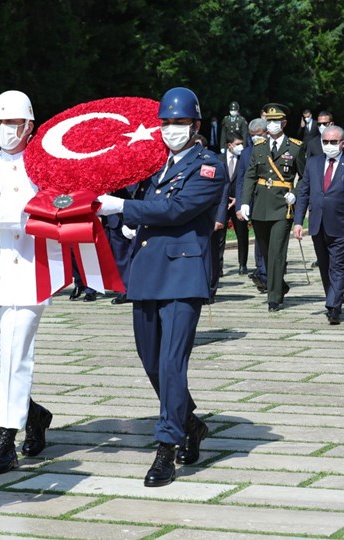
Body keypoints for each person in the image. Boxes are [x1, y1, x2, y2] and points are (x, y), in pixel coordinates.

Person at [96, 87, 225, 487]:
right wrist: (132, 219)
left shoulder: (209, 166)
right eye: (166, 123)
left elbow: (177, 208)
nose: (171, 130)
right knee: (151, 361)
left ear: (196, 125)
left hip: (183, 275)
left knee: (172, 363)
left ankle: (166, 446)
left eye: (179, 123)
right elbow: (148, 201)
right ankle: (190, 422)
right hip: (148, 271)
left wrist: (124, 208)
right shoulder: (156, 165)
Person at [0, 90, 53, 476]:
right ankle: (34, 413)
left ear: (29, 125)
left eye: (12, 123)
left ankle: (6, 441)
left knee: (17, 356)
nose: (5, 130)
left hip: (28, 272)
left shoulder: (45, 167)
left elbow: (62, 208)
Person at [293, 125, 344, 324]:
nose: (329, 145)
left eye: (333, 142)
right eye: (325, 142)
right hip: (318, 224)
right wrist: (298, 221)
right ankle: (332, 297)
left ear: (343, 143)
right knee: (325, 266)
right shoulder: (313, 163)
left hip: (343, 225)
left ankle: (333, 306)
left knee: (338, 266)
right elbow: (304, 193)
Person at [240, 103, 306, 312]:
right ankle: (280, 284)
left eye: (276, 121)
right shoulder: (259, 147)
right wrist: (244, 202)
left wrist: (294, 194)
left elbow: (305, 176)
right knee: (266, 253)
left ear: (284, 123)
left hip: (281, 207)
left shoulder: (295, 146)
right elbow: (250, 176)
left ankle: (274, 297)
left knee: (277, 252)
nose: (273, 125)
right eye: (270, 121)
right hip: (260, 205)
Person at [209, 134, 245, 301]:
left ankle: (242, 264)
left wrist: (239, 199)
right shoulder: (218, 158)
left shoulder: (244, 158)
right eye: (238, 144)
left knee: (242, 233)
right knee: (220, 238)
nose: (240, 146)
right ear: (230, 145)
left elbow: (245, 179)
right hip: (222, 202)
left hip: (237, 200)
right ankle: (220, 266)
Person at [236, 119, 268, 284]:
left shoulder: (275, 149)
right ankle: (262, 272)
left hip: (272, 201)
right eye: (252, 135)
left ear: (267, 133)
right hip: (254, 202)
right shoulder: (247, 153)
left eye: (259, 135)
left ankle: (271, 271)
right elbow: (241, 180)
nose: (256, 138)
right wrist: (240, 205)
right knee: (260, 237)